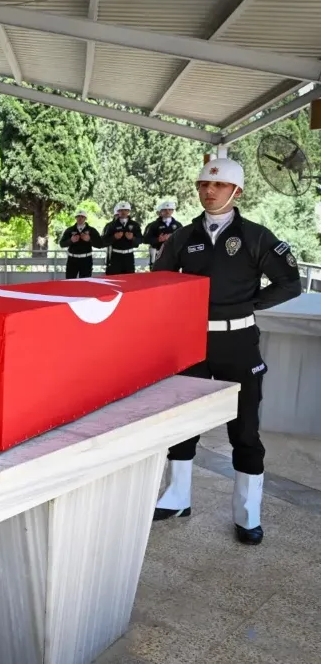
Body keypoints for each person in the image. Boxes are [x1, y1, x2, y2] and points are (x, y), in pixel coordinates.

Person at [152, 158, 301, 545]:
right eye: (203, 184)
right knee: (183, 421)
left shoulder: (255, 236)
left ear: (237, 192)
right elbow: (160, 282)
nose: (208, 190)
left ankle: (248, 514)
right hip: (191, 343)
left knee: (245, 429)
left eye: (218, 185)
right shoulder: (183, 237)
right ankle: (177, 498)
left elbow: (290, 282)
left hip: (239, 343)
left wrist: (249, 303)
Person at [59, 210, 103, 279]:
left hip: (86, 260)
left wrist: (89, 239)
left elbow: (100, 244)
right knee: (70, 282)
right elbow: (62, 244)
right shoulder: (69, 230)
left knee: (85, 282)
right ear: (75, 218)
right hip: (72, 260)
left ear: (85, 218)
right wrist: (71, 240)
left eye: (82, 217)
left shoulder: (92, 230)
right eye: (78, 216)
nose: (80, 218)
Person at [102, 201, 142, 275]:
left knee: (129, 278)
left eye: (126, 210)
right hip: (116, 256)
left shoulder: (135, 225)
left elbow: (140, 240)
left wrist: (132, 238)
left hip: (129, 257)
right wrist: (114, 237)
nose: (123, 212)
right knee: (114, 278)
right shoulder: (111, 225)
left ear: (129, 211)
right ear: (118, 211)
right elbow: (103, 241)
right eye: (121, 210)